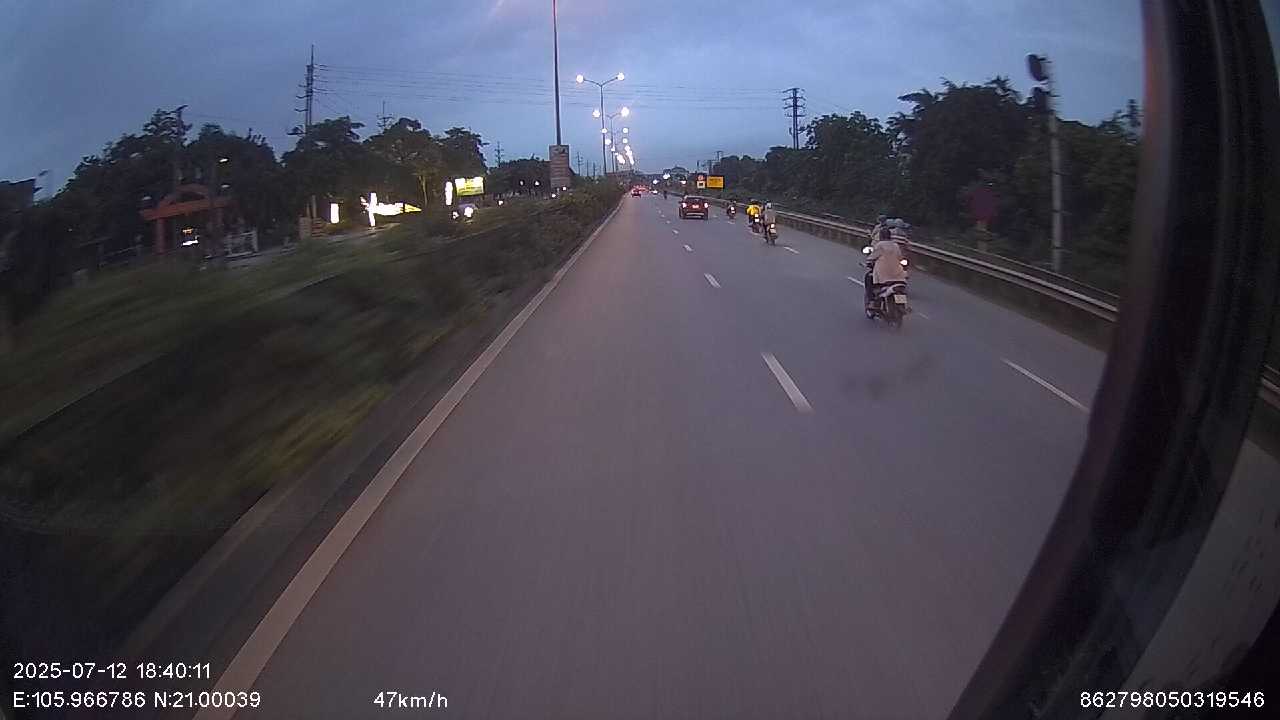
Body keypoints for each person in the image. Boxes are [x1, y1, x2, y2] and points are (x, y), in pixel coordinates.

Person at [865, 226, 908, 309]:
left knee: (869, 279)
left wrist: (868, 261)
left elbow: (872, 257)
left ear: (881, 236)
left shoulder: (879, 245)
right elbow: (900, 257)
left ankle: (872, 302)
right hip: (898, 275)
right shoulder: (895, 245)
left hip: (883, 275)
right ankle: (903, 306)